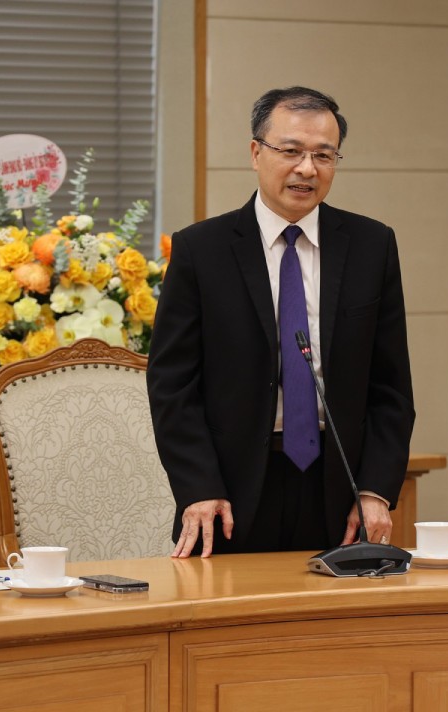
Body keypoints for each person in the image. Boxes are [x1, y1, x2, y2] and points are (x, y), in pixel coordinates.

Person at [147, 86, 415, 558]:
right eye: (290, 151)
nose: (307, 169)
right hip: (229, 495)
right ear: (256, 152)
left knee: (337, 631)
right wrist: (198, 485)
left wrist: (374, 489)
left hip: (340, 492)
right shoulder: (201, 250)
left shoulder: (372, 246)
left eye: (323, 155)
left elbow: (391, 388)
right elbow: (172, 385)